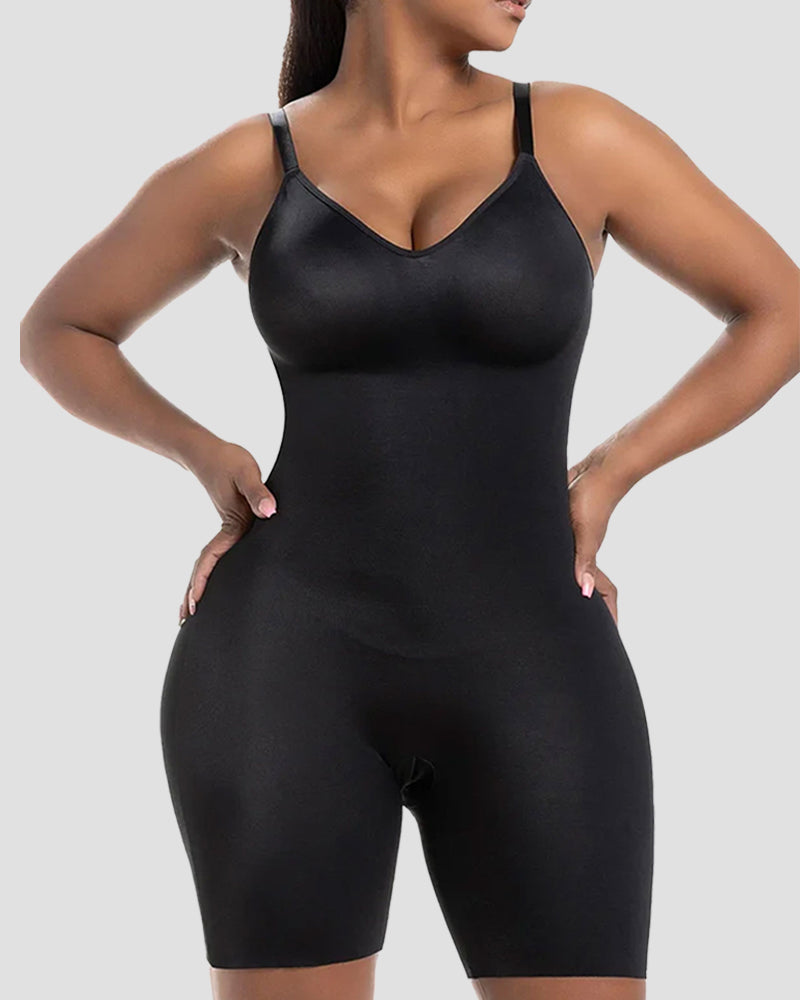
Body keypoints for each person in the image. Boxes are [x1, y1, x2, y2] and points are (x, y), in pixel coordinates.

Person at [19, 1, 798, 998]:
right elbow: (60, 329)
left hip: (535, 661)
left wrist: (611, 470)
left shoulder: (576, 135)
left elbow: (776, 308)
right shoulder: (252, 163)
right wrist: (204, 455)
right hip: (281, 664)